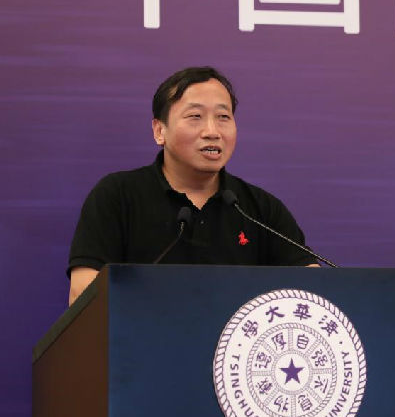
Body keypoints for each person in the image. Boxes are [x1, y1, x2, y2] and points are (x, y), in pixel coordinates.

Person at [67, 66, 318, 304]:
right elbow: (83, 294)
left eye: (223, 117)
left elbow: (313, 290)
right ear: (159, 130)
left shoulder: (260, 210)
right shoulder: (118, 196)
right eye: (195, 116)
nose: (212, 131)